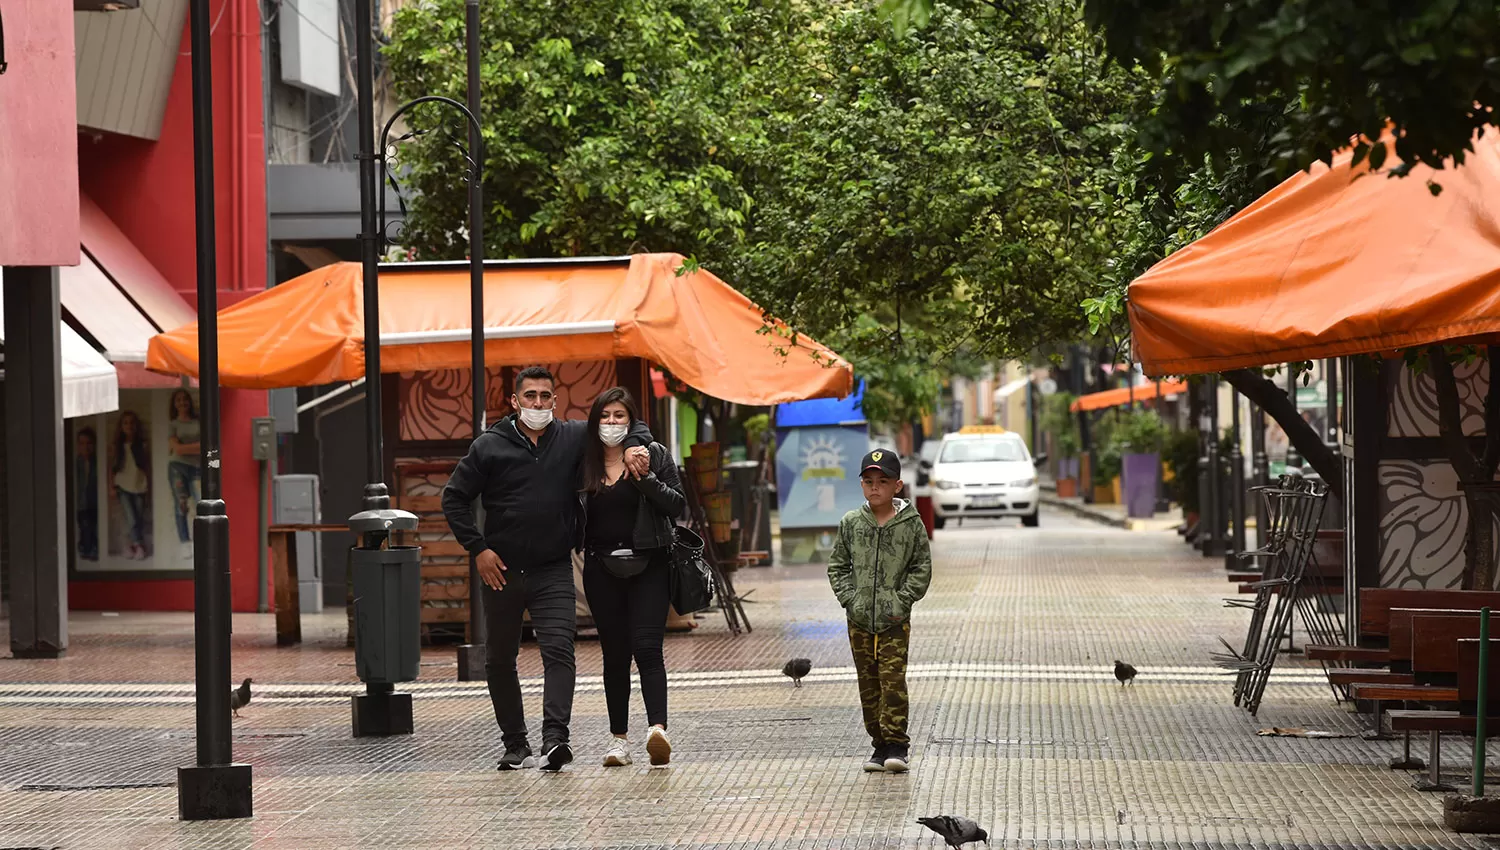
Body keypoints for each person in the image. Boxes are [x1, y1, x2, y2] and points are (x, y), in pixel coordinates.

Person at [442, 366, 653, 773]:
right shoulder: (489, 446)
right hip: (500, 569)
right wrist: (479, 550)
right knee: (500, 658)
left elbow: (628, 421)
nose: (537, 403)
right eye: (530, 396)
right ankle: (515, 743)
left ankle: (555, 740)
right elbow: (454, 499)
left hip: (554, 567)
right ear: (515, 401)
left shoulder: (573, 436)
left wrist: (634, 447)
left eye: (544, 397)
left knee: (560, 651)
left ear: (555, 401)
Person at [577, 387, 686, 768]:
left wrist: (642, 478)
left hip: (649, 564)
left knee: (648, 648)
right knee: (615, 654)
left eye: (619, 416)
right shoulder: (583, 460)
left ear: (632, 420)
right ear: (595, 421)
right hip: (600, 567)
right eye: (605, 416)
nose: (611, 423)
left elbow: (677, 504)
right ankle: (618, 740)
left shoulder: (652, 455)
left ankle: (658, 730)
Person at [827, 449, 932, 773]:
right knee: (868, 681)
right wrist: (851, 599)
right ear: (861, 485)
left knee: (892, 679)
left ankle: (897, 745)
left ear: (897, 486)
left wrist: (900, 601)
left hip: (894, 620)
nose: (875, 488)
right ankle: (878, 745)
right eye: (869, 481)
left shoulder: (910, 525)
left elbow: (921, 568)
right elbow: (837, 567)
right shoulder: (851, 523)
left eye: (883, 482)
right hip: (859, 618)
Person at [166, 389, 201, 556]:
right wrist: (192, 448)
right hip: (177, 468)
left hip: (197, 469)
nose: (182, 403)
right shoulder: (173, 424)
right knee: (181, 504)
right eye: (178, 400)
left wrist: (184, 448)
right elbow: (177, 450)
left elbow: (205, 447)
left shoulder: (199, 422)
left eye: (185, 399)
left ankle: (201, 540)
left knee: (200, 503)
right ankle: (185, 542)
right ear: (174, 404)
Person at [112, 410, 151, 560]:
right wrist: (111, 486)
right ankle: (138, 546)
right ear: (121, 426)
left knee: (138, 518)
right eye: (125, 423)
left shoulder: (142, 445)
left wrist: (149, 487)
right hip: (122, 486)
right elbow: (112, 467)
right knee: (131, 517)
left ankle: (131, 545)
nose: (129, 425)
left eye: (132, 423)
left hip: (139, 485)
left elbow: (147, 467)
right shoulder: (118, 446)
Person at [75, 427, 99, 561]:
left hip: (93, 502)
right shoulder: (76, 463)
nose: (86, 447)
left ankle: (92, 548)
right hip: (81, 503)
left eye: (89, 443)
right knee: (84, 526)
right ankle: (85, 548)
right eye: (82, 443)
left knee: (93, 525)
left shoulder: (96, 462)